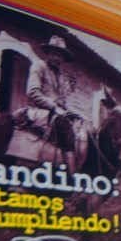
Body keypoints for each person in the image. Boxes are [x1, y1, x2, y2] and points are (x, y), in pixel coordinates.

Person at [28, 34, 80, 172]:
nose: (57, 58)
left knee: (83, 132)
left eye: (60, 56)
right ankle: (72, 178)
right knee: (67, 131)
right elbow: (33, 93)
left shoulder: (61, 76)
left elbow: (62, 101)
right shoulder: (38, 66)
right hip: (39, 110)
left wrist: (70, 111)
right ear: (48, 54)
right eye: (54, 54)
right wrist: (55, 108)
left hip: (57, 113)